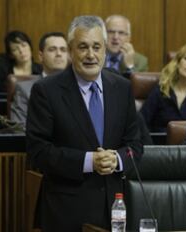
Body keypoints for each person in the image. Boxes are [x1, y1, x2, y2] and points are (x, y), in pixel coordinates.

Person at [26, 15, 142, 232]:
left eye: (97, 47)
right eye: (83, 47)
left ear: (105, 50)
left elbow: (135, 146)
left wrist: (116, 159)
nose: (91, 55)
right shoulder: (46, 91)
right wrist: (89, 161)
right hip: (66, 211)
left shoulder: (122, 87)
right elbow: (38, 151)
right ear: (71, 51)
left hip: (114, 209)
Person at [11, 32, 69, 126]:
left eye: (63, 50)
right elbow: (19, 129)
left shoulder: (78, 86)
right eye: (52, 49)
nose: (59, 54)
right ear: (41, 56)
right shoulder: (24, 89)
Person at [0, 30, 42, 98]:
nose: (21, 51)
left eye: (24, 45)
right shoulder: (1, 70)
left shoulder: (41, 70)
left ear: (30, 47)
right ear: (11, 55)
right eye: (15, 49)